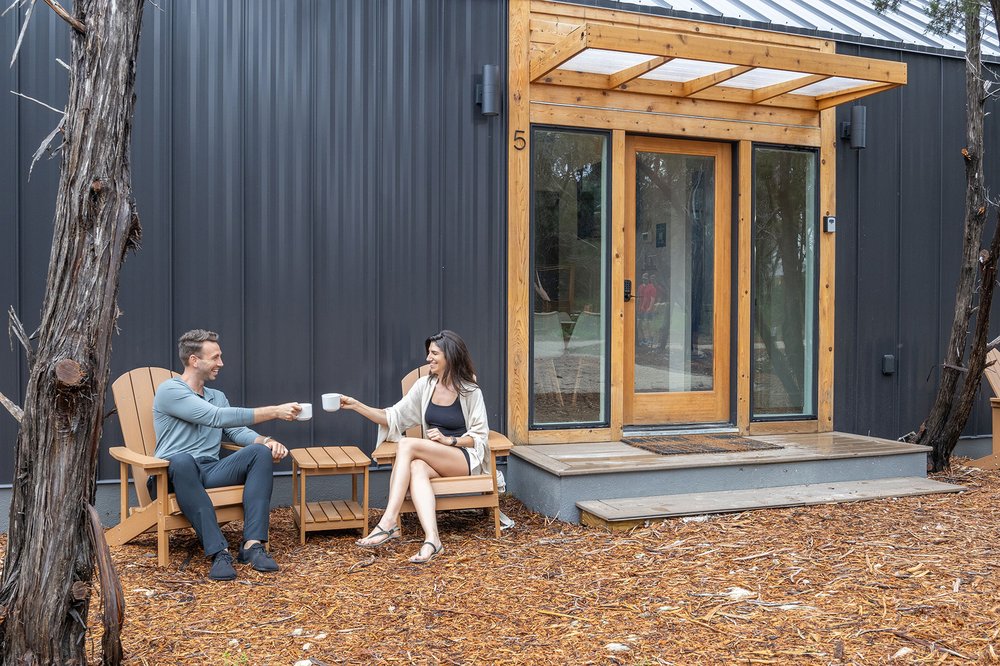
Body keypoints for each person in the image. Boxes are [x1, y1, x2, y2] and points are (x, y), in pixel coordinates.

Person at [152, 329, 301, 581]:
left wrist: (266, 441)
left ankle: (252, 546)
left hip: (209, 471)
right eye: (215, 357)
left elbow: (237, 431)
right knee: (182, 459)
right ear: (194, 360)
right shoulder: (170, 390)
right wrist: (275, 410)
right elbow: (214, 417)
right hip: (170, 476)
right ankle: (218, 551)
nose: (221, 363)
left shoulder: (216, 396)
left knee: (259, 453)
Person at [341, 330, 490, 564]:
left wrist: (449, 440)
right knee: (418, 467)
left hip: (465, 458)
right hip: (436, 458)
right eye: (428, 353)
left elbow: (480, 435)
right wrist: (356, 405)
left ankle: (388, 521)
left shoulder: (470, 391)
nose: (428, 358)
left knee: (407, 444)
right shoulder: (425, 386)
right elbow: (393, 417)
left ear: (450, 356)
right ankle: (433, 540)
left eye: (434, 353)